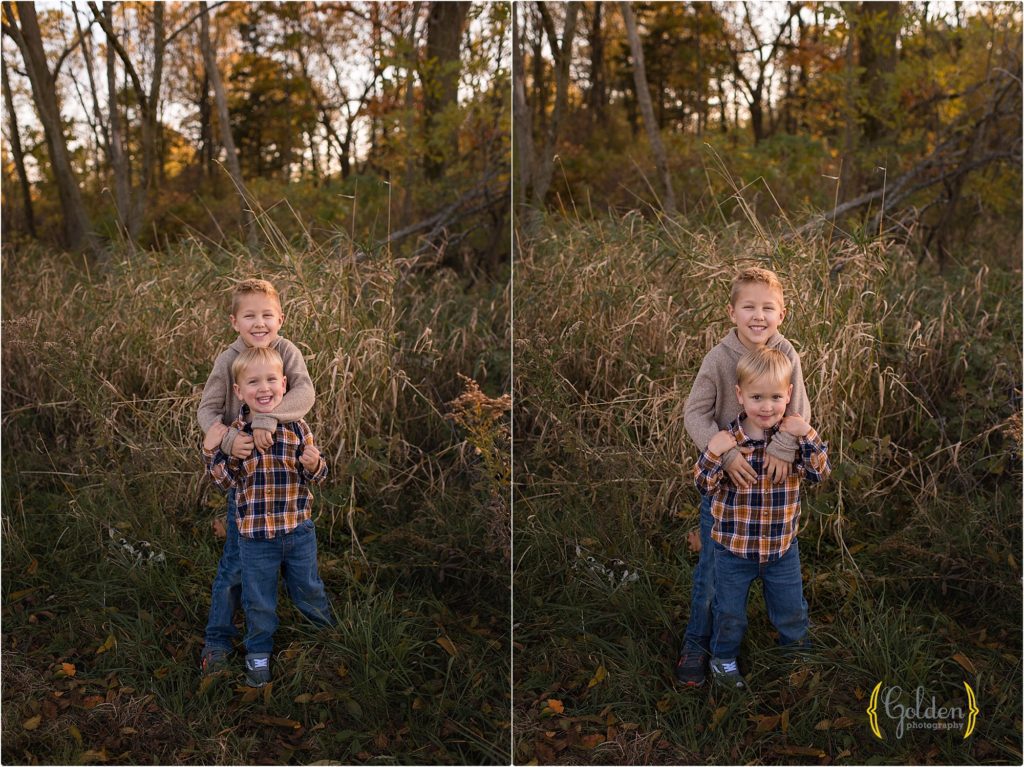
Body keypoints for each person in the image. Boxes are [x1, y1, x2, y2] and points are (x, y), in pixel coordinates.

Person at [676, 267, 810, 687]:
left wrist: (785, 449)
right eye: (748, 307)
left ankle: (791, 649)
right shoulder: (719, 358)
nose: (758, 316)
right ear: (731, 312)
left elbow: (799, 410)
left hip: (771, 488)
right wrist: (726, 450)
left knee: (777, 574)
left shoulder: (787, 353)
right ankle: (697, 643)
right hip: (725, 484)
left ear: (781, 314)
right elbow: (694, 412)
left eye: (767, 308)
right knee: (713, 575)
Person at [196, 279, 315, 675]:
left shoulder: (286, 351)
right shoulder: (228, 358)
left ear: (280, 318)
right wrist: (229, 439)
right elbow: (207, 409)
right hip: (244, 473)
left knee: (288, 563)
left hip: (282, 469)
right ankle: (218, 639)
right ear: (235, 321)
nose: (259, 323)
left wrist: (266, 418)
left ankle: (306, 632)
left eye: (267, 315)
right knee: (234, 564)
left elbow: (303, 395)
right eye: (250, 316)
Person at [694, 347, 830, 689]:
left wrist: (807, 433)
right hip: (733, 552)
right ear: (740, 396)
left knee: (792, 611)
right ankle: (723, 660)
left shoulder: (791, 443)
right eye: (757, 397)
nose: (767, 406)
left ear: (788, 396)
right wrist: (714, 452)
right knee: (729, 613)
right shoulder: (729, 441)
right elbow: (702, 484)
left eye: (775, 397)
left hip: (782, 551)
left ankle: (797, 660)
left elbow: (820, 473)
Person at [203, 346, 334, 687]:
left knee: (309, 587)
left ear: (285, 384)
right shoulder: (237, 434)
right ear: (238, 391)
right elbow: (224, 481)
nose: (264, 388)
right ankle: (257, 653)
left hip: (297, 529)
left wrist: (314, 464)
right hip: (256, 537)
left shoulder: (297, 427)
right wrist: (218, 452)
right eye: (254, 382)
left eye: (271, 380)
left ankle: (326, 640)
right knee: (258, 599)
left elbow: (318, 477)